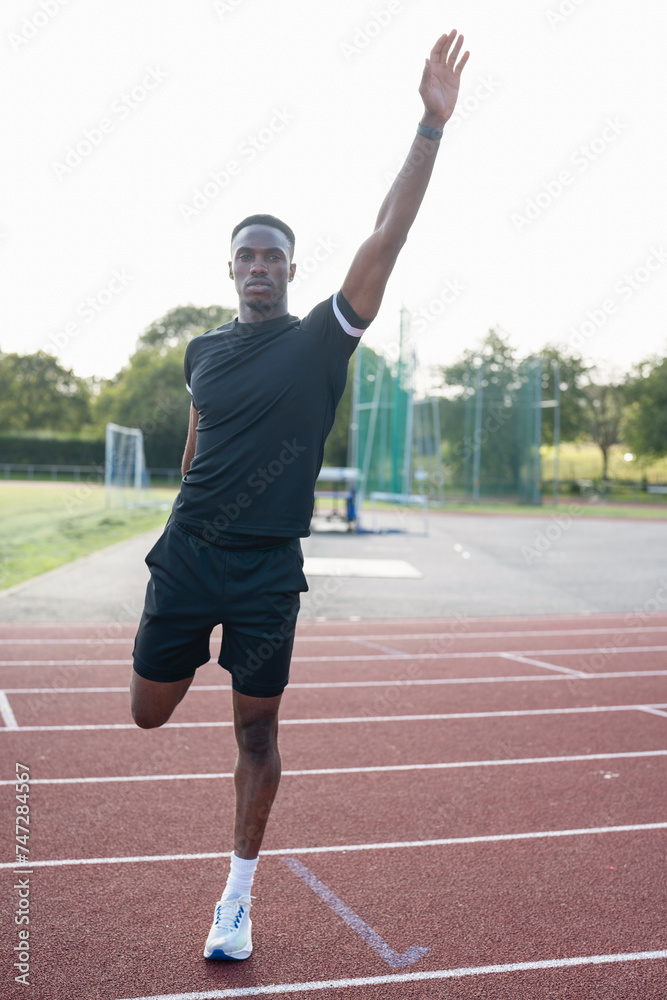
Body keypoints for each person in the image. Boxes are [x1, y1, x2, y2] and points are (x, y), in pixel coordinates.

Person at [129, 28, 469, 961]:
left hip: (269, 571)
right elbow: (200, 432)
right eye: (245, 254)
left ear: (290, 267)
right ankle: (192, 641)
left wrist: (428, 127)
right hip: (187, 555)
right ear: (229, 268)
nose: (258, 264)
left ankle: (234, 899)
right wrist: (177, 525)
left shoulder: (322, 338)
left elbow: (386, 236)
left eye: (273, 254)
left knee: (255, 732)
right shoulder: (200, 351)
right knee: (146, 713)